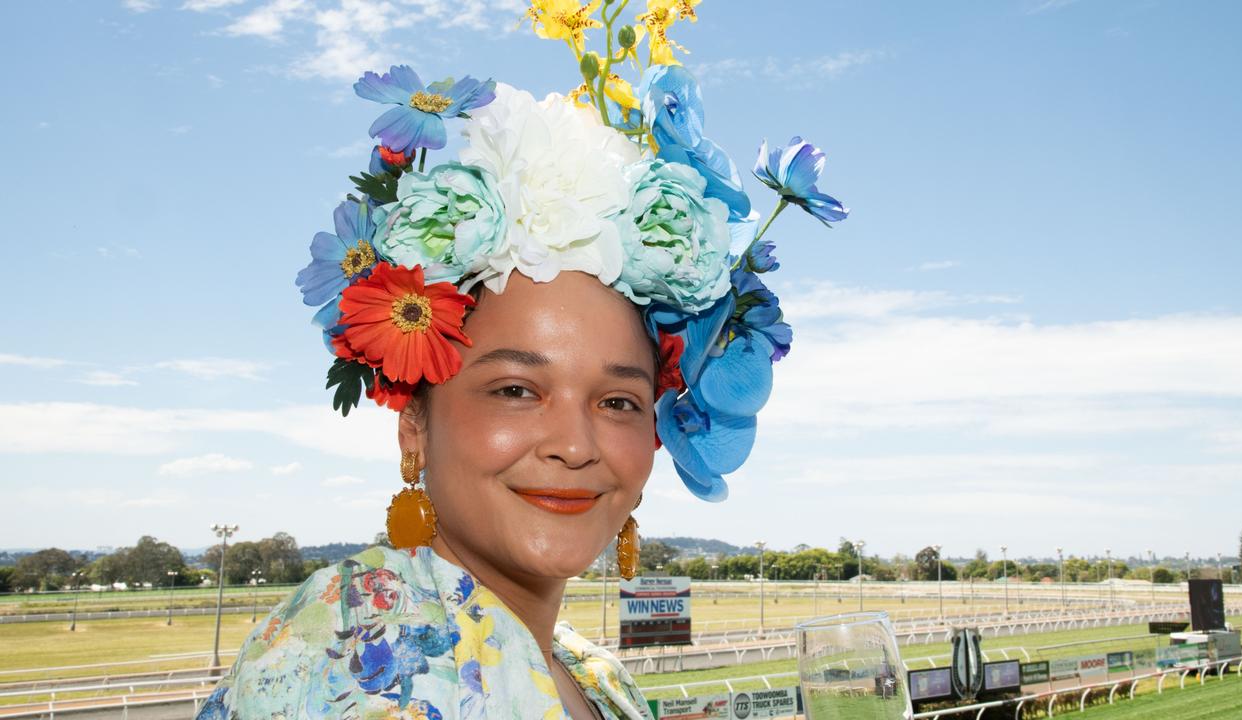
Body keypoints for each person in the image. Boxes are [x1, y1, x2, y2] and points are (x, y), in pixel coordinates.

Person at [199, 5, 847, 718]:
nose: (575, 444)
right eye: (515, 388)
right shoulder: (354, 660)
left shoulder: (582, 666)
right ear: (414, 422)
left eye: (618, 401)